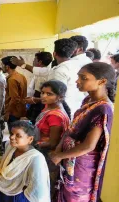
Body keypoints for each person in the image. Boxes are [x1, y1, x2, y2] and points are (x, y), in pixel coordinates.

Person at [50, 62, 115, 202]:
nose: (77, 81)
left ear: (102, 81)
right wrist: (59, 147)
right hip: (70, 159)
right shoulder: (88, 100)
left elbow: (88, 146)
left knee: (75, 196)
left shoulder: (103, 109)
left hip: (82, 167)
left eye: (83, 78)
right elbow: (72, 128)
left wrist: (60, 155)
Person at [13, 39, 85, 118]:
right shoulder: (74, 65)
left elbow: (57, 97)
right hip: (71, 107)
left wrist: (35, 99)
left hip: (60, 110)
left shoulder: (60, 71)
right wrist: (23, 65)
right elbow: (43, 71)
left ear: (54, 54)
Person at [0, 121, 50, 202]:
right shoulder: (10, 147)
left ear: (30, 139)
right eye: (12, 134)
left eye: (18, 136)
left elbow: (38, 188)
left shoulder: (35, 158)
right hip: (3, 194)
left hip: (19, 197)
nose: (11, 137)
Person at [34, 80, 70, 197]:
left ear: (59, 97)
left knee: (44, 186)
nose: (44, 96)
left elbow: (53, 143)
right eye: (42, 92)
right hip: (42, 151)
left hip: (48, 155)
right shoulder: (49, 107)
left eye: (49, 94)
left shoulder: (55, 116)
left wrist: (32, 144)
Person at [25, 52, 53, 123]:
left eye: (35, 60)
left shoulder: (45, 74)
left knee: (37, 121)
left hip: (40, 101)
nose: (33, 61)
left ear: (40, 62)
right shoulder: (38, 73)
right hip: (36, 99)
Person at [2, 56, 27, 126]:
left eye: (2, 65)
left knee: (13, 133)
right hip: (20, 110)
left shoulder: (12, 79)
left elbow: (14, 99)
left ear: (7, 67)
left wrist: (7, 113)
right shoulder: (21, 76)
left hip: (13, 112)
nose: (1, 67)